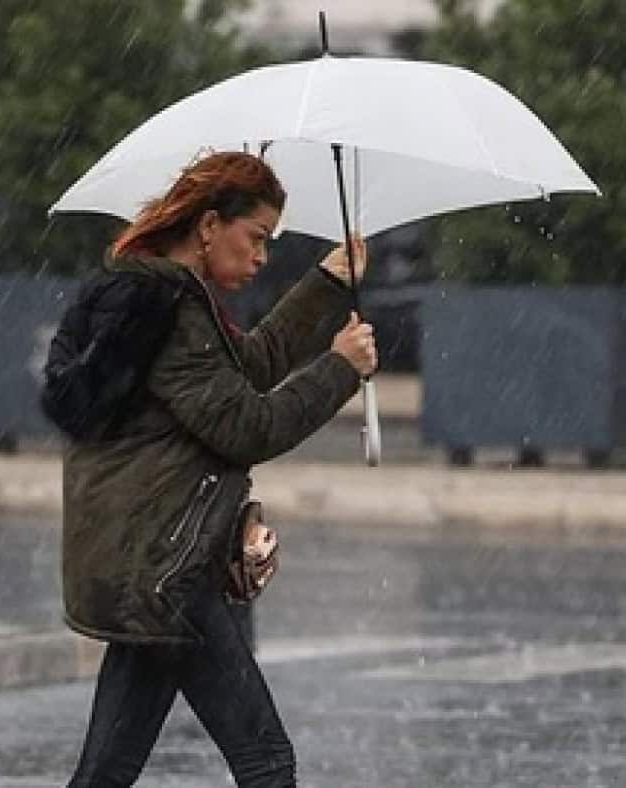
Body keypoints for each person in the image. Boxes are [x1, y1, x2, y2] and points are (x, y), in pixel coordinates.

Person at [63, 151, 377, 787]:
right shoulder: (167, 312)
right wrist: (340, 367)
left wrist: (328, 281)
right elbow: (248, 427)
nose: (262, 257)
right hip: (168, 572)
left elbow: (250, 366)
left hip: (151, 567)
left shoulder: (167, 299)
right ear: (209, 226)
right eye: (256, 237)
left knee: (106, 774)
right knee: (266, 762)